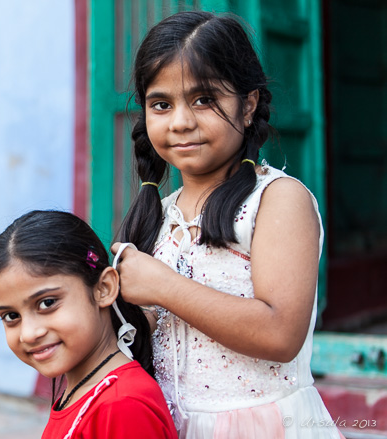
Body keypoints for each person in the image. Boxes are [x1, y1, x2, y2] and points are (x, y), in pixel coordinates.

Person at [111, 10, 343, 438]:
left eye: (204, 100)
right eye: (162, 104)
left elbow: (279, 334)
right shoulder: (158, 214)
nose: (181, 121)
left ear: (249, 102)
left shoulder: (276, 200)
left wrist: (161, 285)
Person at [0, 210, 177, 439]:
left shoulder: (121, 405)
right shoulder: (83, 393)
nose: (28, 334)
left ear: (103, 288)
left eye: (47, 303)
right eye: (11, 316)